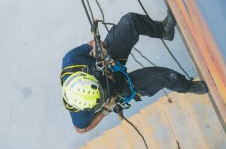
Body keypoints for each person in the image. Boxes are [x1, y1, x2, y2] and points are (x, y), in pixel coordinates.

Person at [60, 12, 208, 133]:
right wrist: (105, 110)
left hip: (108, 61)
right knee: (165, 77)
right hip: (118, 89)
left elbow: (91, 44)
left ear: (86, 76)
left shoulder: (71, 61)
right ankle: (188, 86)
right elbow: (81, 129)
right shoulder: (77, 109)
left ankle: (163, 30)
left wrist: (100, 48)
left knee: (130, 22)